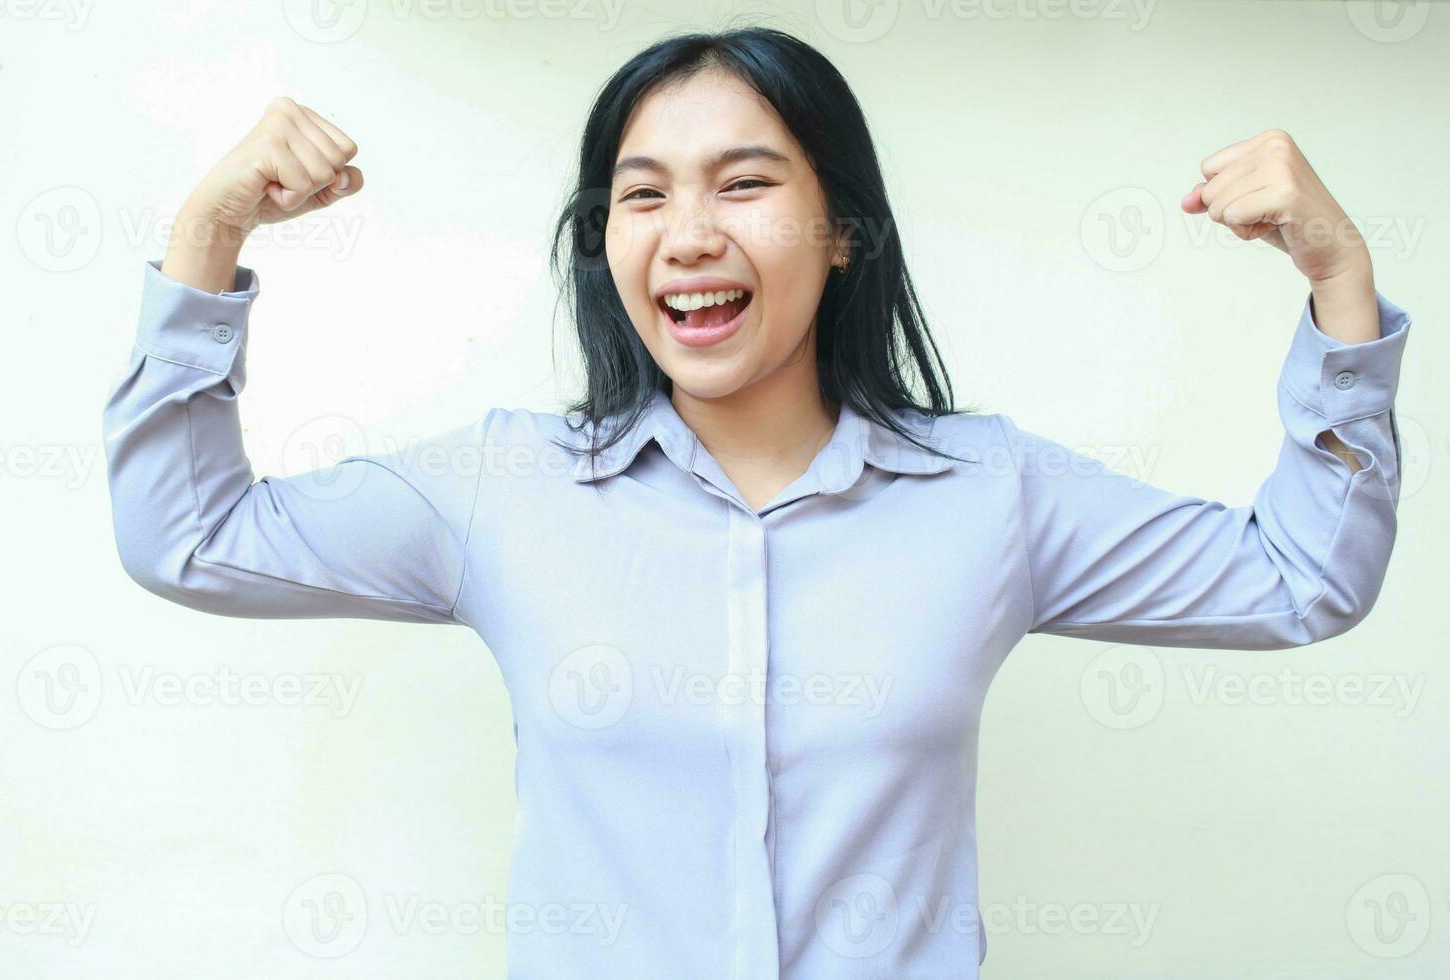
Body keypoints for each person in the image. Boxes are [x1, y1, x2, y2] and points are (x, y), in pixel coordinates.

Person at [101, 27, 1411, 979]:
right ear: (603, 243)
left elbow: (1301, 581)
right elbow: (188, 538)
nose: (686, 233)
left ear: (841, 228)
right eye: (641, 194)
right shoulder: (505, 490)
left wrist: (1336, 276)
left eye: (743, 183)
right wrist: (207, 238)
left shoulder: (988, 495)